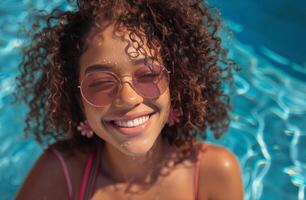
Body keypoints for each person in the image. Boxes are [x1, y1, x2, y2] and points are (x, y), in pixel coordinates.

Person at [14, 0, 244, 199]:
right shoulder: (61, 174)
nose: (128, 98)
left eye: (148, 75)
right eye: (101, 83)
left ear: (176, 86)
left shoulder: (213, 173)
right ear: (79, 100)